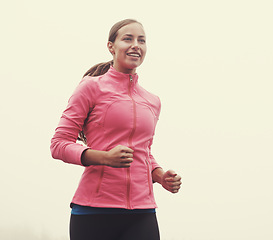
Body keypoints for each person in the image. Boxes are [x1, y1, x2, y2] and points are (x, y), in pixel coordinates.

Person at [50, 19, 182, 240]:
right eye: (127, 39)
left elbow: (144, 151)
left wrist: (159, 175)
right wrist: (104, 157)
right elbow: (58, 144)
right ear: (111, 46)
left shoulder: (152, 101)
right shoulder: (91, 87)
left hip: (142, 212)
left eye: (142, 40)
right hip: (94, 212)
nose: (136, 45)